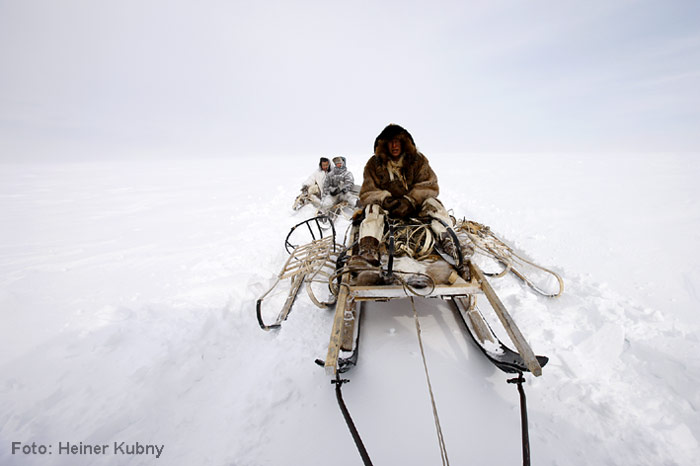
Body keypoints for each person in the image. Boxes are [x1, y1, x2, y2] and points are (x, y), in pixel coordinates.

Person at [349, 124, 457, 274]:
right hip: (388, 211)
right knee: (372, 209)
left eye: (398, 141)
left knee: (434, 204)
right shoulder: (374, 164)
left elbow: (429, 185)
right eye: (390, 142)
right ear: (384, 144)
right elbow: (368, 191)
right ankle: (368, 250)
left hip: (415, 209)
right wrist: (385, 199)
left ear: (404, 143)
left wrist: (410, 200)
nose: (394, 145)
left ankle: (449, 242)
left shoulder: (418, 161)